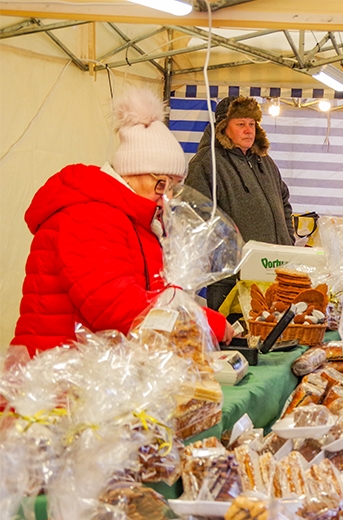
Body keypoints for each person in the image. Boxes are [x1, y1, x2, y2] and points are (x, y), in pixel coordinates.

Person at [12, 87, 232, 355]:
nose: (165, 197)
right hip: (57, 374)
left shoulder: (136, 219)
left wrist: (184, 305)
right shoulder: (88, 216)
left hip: (91, 370)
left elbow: (150, 293)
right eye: (161, 183)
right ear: (133, 171)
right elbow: (116, 307)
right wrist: (201, 323)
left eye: (173, 186)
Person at [185, 96, 294, 247]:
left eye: (252, 124)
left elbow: (284, 201)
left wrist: (288, 239)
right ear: (223, 127)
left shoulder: (265, 161)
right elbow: (196, 218)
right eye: (241, 124)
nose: (248, 130)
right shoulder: (206, 163)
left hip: (275, 262)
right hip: (237, 266)